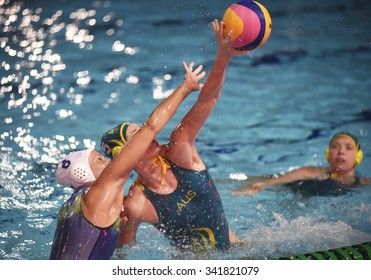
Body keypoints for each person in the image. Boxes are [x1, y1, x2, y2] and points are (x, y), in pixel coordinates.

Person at [100, 19, 248, 251]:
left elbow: (207, 100)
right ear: (127, 153)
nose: (147, 135)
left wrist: (223, 56)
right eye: (138, 136)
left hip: (241, 251)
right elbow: (122, 255)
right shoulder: (138, 203)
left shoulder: (180, 151)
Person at [49, 61, 206, 260]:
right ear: (84, 173)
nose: (108, 161)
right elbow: (150, 128)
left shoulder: (76, 206)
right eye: (98, 159)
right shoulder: (99, 191)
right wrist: (185, 87)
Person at [232, 132, 371, 196]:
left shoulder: (363, 182)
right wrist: (257, 186)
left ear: (358, 157)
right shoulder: (313, 173)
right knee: (250, 179)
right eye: (335, 147)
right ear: (328, 154)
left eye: (348, 147)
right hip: (294, 188)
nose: (341, 151)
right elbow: (276, 181)